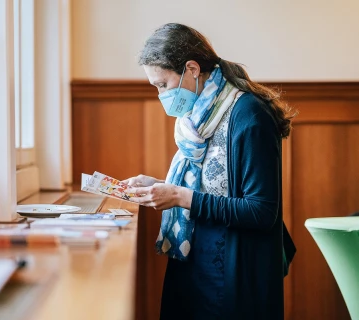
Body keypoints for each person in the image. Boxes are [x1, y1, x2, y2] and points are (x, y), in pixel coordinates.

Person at [124, 23, 296, 320]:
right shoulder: (196, 119)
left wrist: (178, 196)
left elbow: (262, 211)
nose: (160, 95)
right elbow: (207, 186)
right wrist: (159, 186)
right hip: (195, 259)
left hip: (234, 271)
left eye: (163, 85)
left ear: (192, 69)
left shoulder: (249, 116)